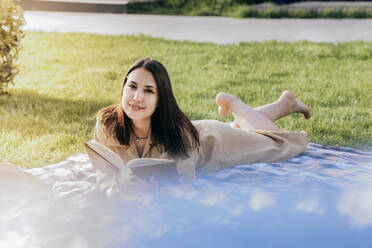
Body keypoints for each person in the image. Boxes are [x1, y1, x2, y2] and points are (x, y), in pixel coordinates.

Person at [94, 58, 310, 179]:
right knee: (242, 128)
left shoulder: (178, 135)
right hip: (200, 132)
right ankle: (285, 103)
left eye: (149, 91)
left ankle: (234, 103)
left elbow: (184, 185)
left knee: (277, 143)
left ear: (160, 100)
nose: (137, 97)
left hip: (215, 143)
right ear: (123, 89)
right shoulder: (107, 123)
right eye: (132, 86)